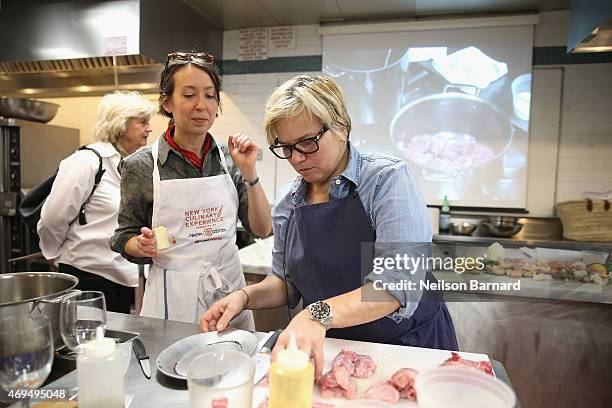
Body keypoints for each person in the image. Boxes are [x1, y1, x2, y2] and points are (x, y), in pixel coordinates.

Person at [200, 74, 458, 378]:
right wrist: (245, 297)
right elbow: (283, 282)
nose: (296, 158)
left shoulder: (386, 181)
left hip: (407, 350)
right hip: (335, 353)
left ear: (341, 127)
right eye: (286, 147)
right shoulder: (289, 201)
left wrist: (317, 314)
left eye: (308, 142)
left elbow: (395, 284)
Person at [111, 51, 272, 326]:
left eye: (210, 95)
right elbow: (122, 236)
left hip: (228, 295)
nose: (201, 105)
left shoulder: (229, 158)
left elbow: (262, 229)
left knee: (233, 366)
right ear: (167, 102)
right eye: (189, 95)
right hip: (173, 300)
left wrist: (250, 172)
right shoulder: (140, 165)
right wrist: (139, 245)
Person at [38, 91, 156, 313]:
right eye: (142, 122)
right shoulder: (87, 162)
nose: (149, 128)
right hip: (85, 277)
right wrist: (53, 253)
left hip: (121, 277)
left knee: (113, 345)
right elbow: (53, 217)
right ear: (120, 124)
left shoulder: (134, 165)